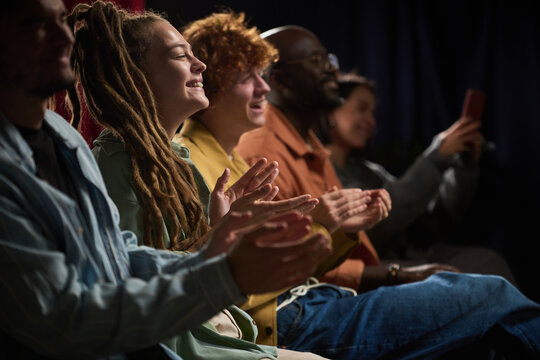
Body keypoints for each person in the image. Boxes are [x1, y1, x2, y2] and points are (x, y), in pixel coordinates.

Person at [0, 1, 331, 359]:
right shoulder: (114, 162)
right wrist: (224, 270)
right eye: (35, 23)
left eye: (62, 22)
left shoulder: (61, 134)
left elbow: (117, 254)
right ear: (134, 74)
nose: (63, 36)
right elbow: (66, 322)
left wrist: (216, 246)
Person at [234, 24, 540, 359]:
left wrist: (462, 165)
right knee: (490, 289)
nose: (332, 68)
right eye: (317, 60)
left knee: (485, 304)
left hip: (328, 293)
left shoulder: (314, 150)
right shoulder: (263, 150)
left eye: (329, 58)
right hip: (303, 308)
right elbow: (282, 267)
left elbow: (426, 223)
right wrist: (396, 273)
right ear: (278, 80)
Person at [173, 11, 395, 346]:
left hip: (307, 301)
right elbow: (232, 286)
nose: (265, 87)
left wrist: (340, 226)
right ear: (212, 87)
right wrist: (321, 227)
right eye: (248, 78)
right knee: (484, 292)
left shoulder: (234, 160)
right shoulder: (188, 162)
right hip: (279, 320)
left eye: (261, 75)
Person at [315, 71, 517, 285]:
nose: (371, 121)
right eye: (362, 108)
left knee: (487, 261)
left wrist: (464, 169)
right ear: (331, 112)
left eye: (373, 113)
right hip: (369, 267)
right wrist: (435, 158)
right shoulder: (316, 168)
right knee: (476, 271)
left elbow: (427, 226)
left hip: (406, 256)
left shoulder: (370, 171)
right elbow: (377, 227)